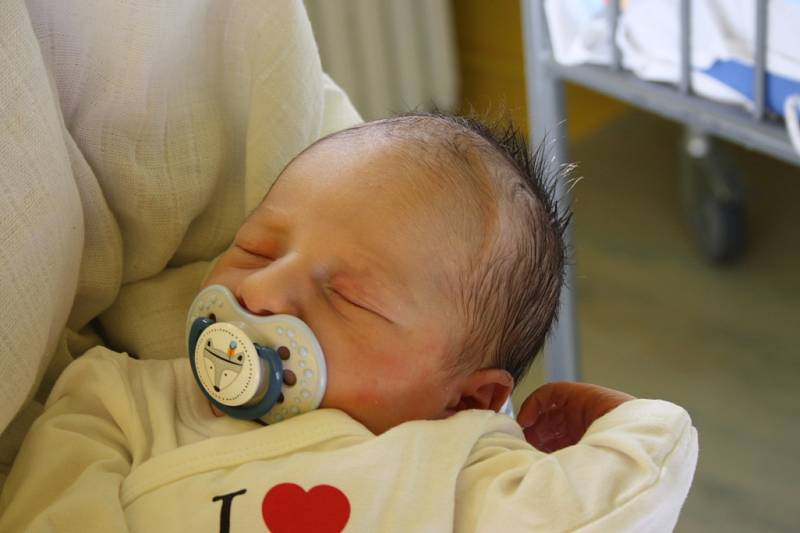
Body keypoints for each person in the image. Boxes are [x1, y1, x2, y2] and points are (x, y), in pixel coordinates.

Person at [0, 113, 697, 532]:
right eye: (256, 247)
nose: (264, 288)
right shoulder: (122, 402)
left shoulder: (463, 465)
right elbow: (48, 512)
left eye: (350, 297)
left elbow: (620, 505)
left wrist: (628, 425)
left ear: (468, 397)